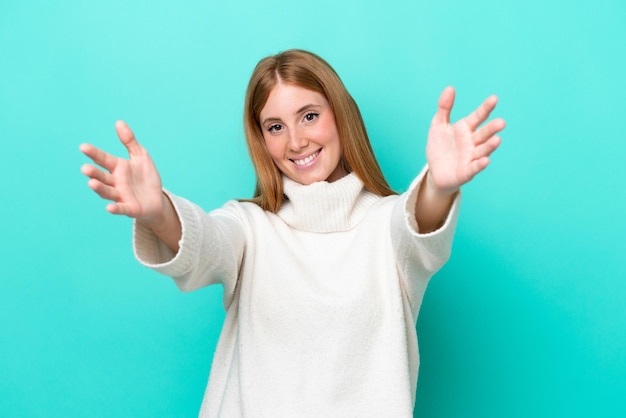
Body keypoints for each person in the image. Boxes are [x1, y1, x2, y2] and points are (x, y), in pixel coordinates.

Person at [80, 49, 505, 417]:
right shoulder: (250, 226)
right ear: (261, 139)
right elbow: (205, 242)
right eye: (276, 126)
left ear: (340, 114)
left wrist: (439, 185)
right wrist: (158, 214)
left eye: (309, 116)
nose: (296, 140)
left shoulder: (386, 225)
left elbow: (418, 228)